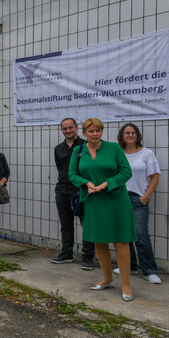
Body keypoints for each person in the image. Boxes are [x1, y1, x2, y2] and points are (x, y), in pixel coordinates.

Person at [67, 118, 136, 302]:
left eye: (98, 130)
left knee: (121, 240)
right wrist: (86, 183)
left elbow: (126, 172)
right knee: (99, 240)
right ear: (84, 134)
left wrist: (107, 184)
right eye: (91, 131)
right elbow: (72, 174)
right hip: (93, 200)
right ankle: (107, 278)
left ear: (102, 131)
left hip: (115, 200)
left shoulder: (114, 148)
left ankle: (126, 284)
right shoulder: (78, 151)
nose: (95, 133)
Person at [117, 123, 162, 285]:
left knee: (140, 234)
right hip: (120, 198)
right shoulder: (118, 153)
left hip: (138, 199)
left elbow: (155, 177)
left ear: (138, 135)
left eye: (133, 132)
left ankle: (150, 270)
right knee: (124, 234)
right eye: (127, 133)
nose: (130, 135)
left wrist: (146, 196)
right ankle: (130, 266)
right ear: (122, 136)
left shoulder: (147, 153)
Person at [51, 118, 95, 270]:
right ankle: (67, 253)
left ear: (76, 128)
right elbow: (61, 168)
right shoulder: (58, 148)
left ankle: (88, 257)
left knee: (87, 224)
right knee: (66, 225)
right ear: (62, 130)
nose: (68, 131)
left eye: (71, 128)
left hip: (81, 190)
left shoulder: (86, 146)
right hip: (62, 190)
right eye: (65, 129)